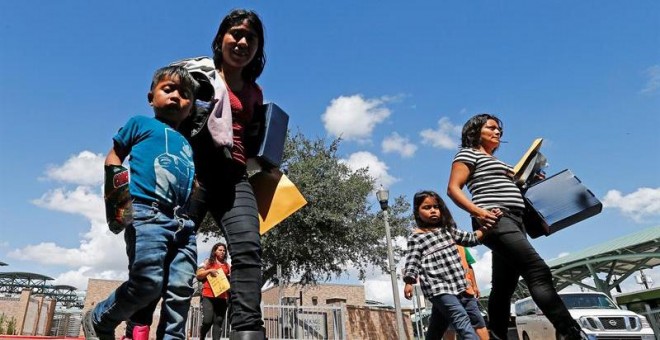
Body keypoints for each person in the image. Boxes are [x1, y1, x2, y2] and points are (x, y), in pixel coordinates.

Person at [82, 65, 197, 340]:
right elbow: (114, 156)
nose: (175, 97)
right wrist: (119, 202)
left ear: (191, 106)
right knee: (147, 283)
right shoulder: (140, 123)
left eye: (184, 94)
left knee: (181, 290)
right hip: (147, 214)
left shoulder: (187, 143)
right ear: (150, 97)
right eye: (168, 89)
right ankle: (100, 319)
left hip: (183, 224)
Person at [447, 113, 585, 340]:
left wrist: (532, 179)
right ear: (475, 132)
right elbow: (453, 188)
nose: (497, 132)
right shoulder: (467, 154)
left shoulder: (502, 164)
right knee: (537, 271)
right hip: (495, 220)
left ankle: (497, 336)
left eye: (499, 129)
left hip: (516, 221)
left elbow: (513, 190)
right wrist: (479, 212)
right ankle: (572, 333)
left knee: (503, 287)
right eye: (491, 128)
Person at [183, 9, 267, 340]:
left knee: (248, 247)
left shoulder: (255, 92)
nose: (242, 41)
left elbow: (250, 137)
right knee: (172, 248)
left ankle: (247, 329)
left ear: (258, 47)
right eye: (236, 33)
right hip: (196, 171)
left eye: (251, 37)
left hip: (235, 176)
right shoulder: (198, 72)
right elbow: (166, 104)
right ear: (221, 39)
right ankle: (136, 323)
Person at [403, 190, 496, 340]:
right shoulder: (417, 236)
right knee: (462, 320)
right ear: (417, 211)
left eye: (436, 207)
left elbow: (471, 239)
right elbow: (412, 260)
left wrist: (488, 226)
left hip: (458, 285)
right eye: (426, 208)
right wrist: (409, 282)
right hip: (438, 288)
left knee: (437, 325)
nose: (433, 210)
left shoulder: (448, 231)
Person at [429, 246, 489, 340]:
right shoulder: (434, 245)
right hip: (446, 293)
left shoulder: (461, 246)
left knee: (478, 321)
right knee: (448, 326)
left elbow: (469, 266)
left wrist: (475, 285)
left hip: (467, 292)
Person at [197, 242, 232, 340]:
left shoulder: (227, 266)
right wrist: (209, 271)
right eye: (220, 250)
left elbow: (230, 280)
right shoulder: (208, 262)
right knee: (207, 321)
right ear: (215, 251)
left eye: (224, 250)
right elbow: (199, 275)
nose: (223, 252)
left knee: (218, 322)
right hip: (208, 296)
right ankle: (202, 336)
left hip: (222, 297)